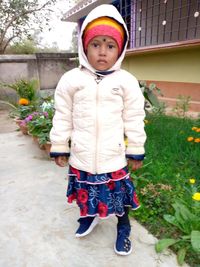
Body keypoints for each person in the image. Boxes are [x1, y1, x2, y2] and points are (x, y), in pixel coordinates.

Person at [50, 4, 146, 256]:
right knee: (86, 191)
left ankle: (123, 227)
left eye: (110, 45)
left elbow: (134, 116)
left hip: (113, 155)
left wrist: (135, 147)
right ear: (84, 46)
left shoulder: (126, 82)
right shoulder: (71, 80)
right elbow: (63, 115)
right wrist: (60, 144)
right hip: (81, 153)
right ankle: (89, 216)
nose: (102, 52)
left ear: (120, 49)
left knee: (118, 197)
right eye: (96, 44)